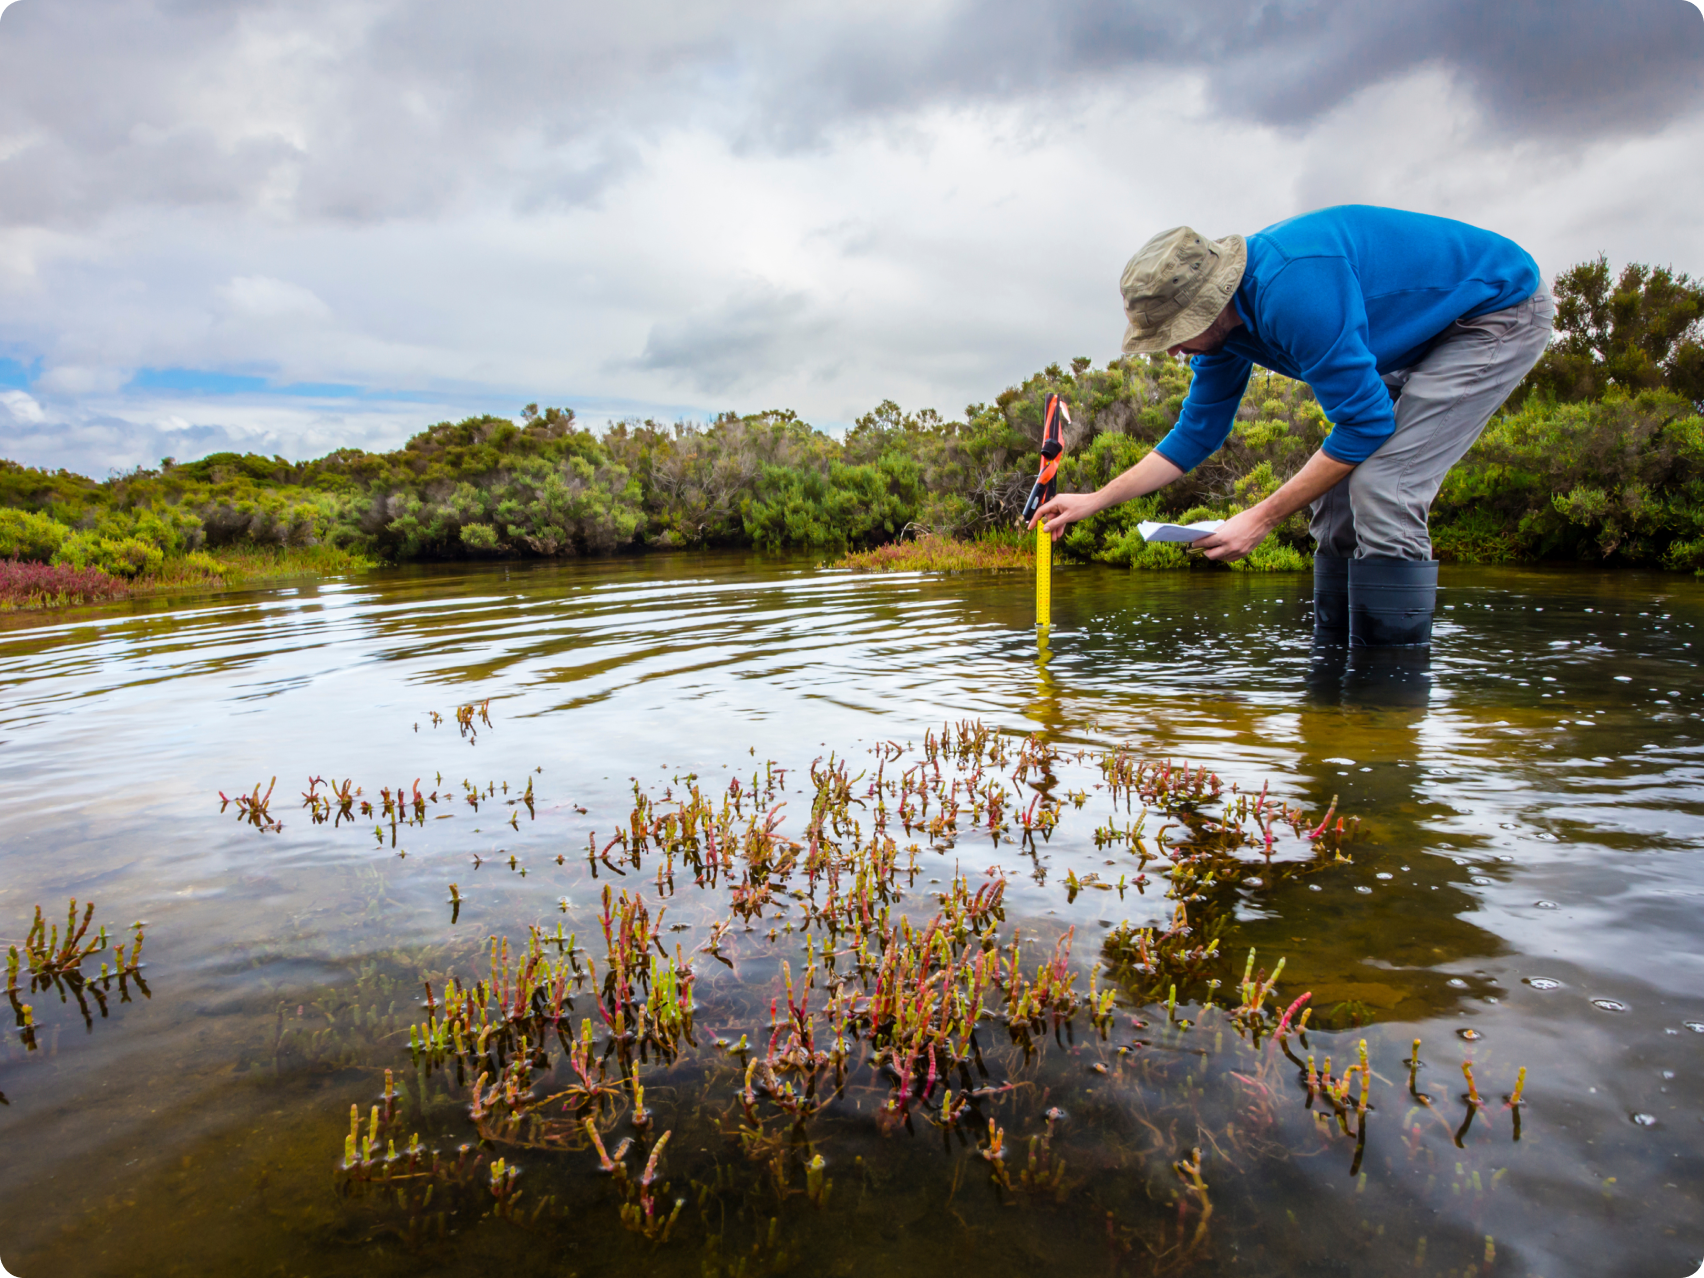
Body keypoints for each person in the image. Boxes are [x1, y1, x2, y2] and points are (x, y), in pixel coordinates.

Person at [1027, 205, 1554, 646]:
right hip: (1413, 336)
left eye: (1177, 331)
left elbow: (1365, 425)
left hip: (1493, 313)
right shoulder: (1224, 333)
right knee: (1337, 495)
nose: (1173, 347)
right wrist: (1096, 499)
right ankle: (1333, 683)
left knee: (1382, 485)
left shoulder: (1295, 291)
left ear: (1213, 302)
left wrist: (1261, 518)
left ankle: (1386, 705)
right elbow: (1198, 432)